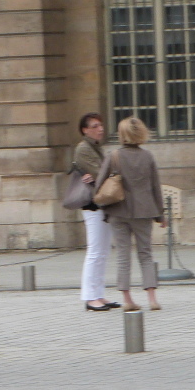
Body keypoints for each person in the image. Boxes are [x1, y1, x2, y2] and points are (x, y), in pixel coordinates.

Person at [95, 116, 166, 312]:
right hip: (144, 211)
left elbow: (100, 184)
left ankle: (127, 299)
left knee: (123, 256)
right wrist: (160, 215)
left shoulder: (113, 155)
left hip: (118, 211)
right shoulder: (148, 157)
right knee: (145, 254)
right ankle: (152, 298)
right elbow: (155, 187)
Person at [73, 114, 118, 312]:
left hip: (101, 203)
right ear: (85, 130)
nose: (100, 128)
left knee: (103, 251)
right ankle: (90, 297)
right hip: (92, 204)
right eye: (95, 126)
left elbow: (104, 173)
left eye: (100, 124)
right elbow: (102, 174)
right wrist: (107, 173)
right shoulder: (83, 149)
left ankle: (98, 294)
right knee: (95, 251)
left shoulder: (96, 148)